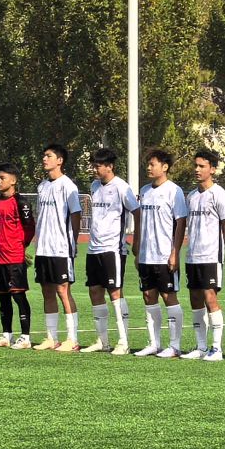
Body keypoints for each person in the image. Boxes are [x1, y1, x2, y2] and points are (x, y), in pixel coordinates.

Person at [132, 150, 188, 357]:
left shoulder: (174, 191)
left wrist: (175, 252)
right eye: (147, 164)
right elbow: (140, 221)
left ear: (164, 167)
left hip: (164, 254)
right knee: (148, 296)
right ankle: (154, 343)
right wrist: (138, 247)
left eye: (152, 164)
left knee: (168, 296)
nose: (148, 167)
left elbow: (180, 222)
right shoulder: (144, 191)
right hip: (146, 254)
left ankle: (174, 346)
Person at [81, 147, 134, 355]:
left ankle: (123, 341)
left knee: (115, 292)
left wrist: (135, 239)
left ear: (110, 166)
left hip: (113, 249)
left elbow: (136, 211)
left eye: (98, 166)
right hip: (94, 248)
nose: (95, 169)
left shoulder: (122, 187)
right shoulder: (94, 186)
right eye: (94, 165)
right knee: (95, 291)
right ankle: (102, 341)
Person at [181, 149, 225, 360]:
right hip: (193, 255)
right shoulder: (192, 196)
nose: (197, 169)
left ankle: (216, 348)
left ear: (212, 169)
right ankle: (201, 347)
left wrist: (219, 247)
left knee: (209, 297)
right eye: (196, 165)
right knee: (195, 298)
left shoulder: (219, 194)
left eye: (202, 166)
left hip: (211, 256)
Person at [32, 144, 84, 352]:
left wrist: (73, 242)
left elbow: (76, 214)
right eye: (44, 155)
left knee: (63, 290)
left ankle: (72, 339)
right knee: (46, 290)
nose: (45, 159)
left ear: (60, 160)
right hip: (43, 249)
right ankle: (51, 337)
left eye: (49, 156)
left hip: (61, 248)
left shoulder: (68, 186)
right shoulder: (42, 186)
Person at [0, 164, 36, 348]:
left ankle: (25, 337)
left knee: (18, 296)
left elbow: (30, 227)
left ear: (13, 180)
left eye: (3, 178)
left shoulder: (21, 202)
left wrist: (21, 246)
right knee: (3, 297)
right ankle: (6, 335)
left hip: (14, 257)